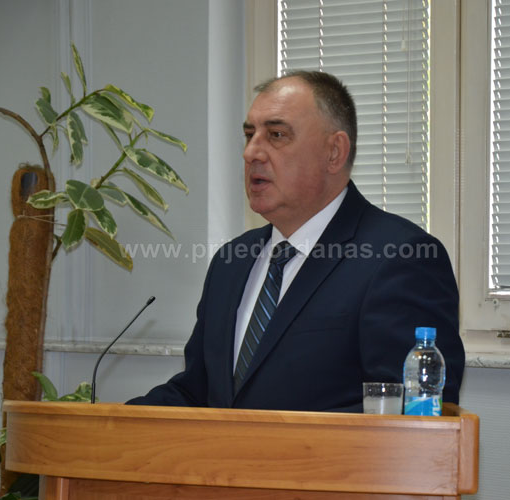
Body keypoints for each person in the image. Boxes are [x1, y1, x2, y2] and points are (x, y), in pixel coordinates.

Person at [127, 70, 465, 411]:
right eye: (249, 135)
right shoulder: (231, 262)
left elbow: (410, 412)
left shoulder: (401, 257)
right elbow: (195, 393)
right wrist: (111, 422)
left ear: (334, 152)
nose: (251, 153)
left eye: (276, 135)